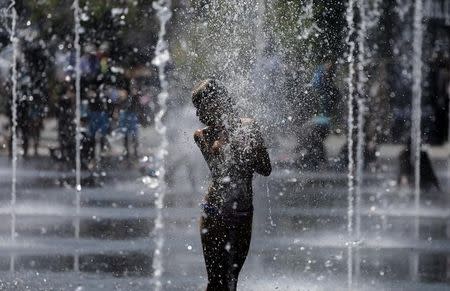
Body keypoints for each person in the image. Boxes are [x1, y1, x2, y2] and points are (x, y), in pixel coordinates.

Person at [192, 79, 271, 290]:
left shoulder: (250, 127)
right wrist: (228, 137)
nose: (198, 114)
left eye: (200, 106)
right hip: (215, 210)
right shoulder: (202, 135)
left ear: (217, 102)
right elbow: (220, 168)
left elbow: (266, 168)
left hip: (244, 211)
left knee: (232, 280)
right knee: (215, 281)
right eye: (196, 108)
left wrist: (252, 147)